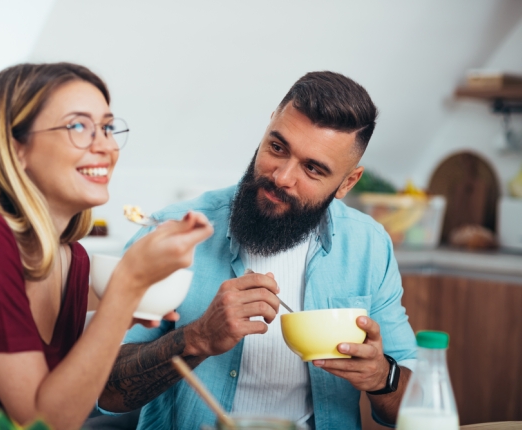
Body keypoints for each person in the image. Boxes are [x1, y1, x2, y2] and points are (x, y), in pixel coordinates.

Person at [0, 62, 213, 430]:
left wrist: (130, 302)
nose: (105, 145)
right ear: (15, 148)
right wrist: (126, 289)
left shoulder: (73, 260)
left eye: (106, 127)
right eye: (78, 126)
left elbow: (66, 398)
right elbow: (43, 422)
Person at [98, 71, 418, 430]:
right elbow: (103, 390)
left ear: (347, 182)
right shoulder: (171, 232)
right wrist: (198, 338)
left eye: (312, 169)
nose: (282, 176)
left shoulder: (368, 245)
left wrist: (382, 377)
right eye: (277, 148)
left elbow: (417, 406)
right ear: (268, 127)